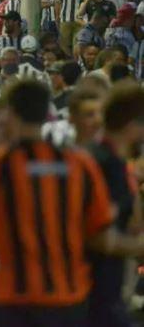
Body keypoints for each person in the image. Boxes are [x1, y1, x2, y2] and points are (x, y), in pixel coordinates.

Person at [0, 79, 144, 327]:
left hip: (14, 300)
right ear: (47, 114)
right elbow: (102, 236)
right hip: (69, 299)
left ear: (10, 113)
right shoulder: (79, 165)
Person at [86, 81, 144, 327]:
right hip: (89, 293)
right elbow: (97, 236)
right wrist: (139, 246)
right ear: (133, 125)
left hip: (107, 290)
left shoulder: (117, 164)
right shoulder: (100, 163)